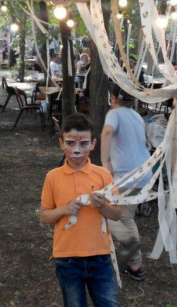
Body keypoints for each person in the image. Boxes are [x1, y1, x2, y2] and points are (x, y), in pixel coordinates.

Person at [40, 114, 121, 307]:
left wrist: (102, 205)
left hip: (100, 256)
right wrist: (64, 209)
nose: (77, 150)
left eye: (84, 144)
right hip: (67, 258)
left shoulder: (103, 175)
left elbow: (117, 214)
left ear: (93, 144)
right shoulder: (53, 177)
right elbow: (44, 216)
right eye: (70, 143)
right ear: (61, 143)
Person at [101, 85, 150, 281]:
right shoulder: (136, 116)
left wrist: (104, 161)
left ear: (113, 97)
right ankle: (132, 261)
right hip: (143, 171)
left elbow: (106, 133)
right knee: (122, 215)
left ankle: (133, 255)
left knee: (112, 214)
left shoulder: (115, 113)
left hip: (127, 174)